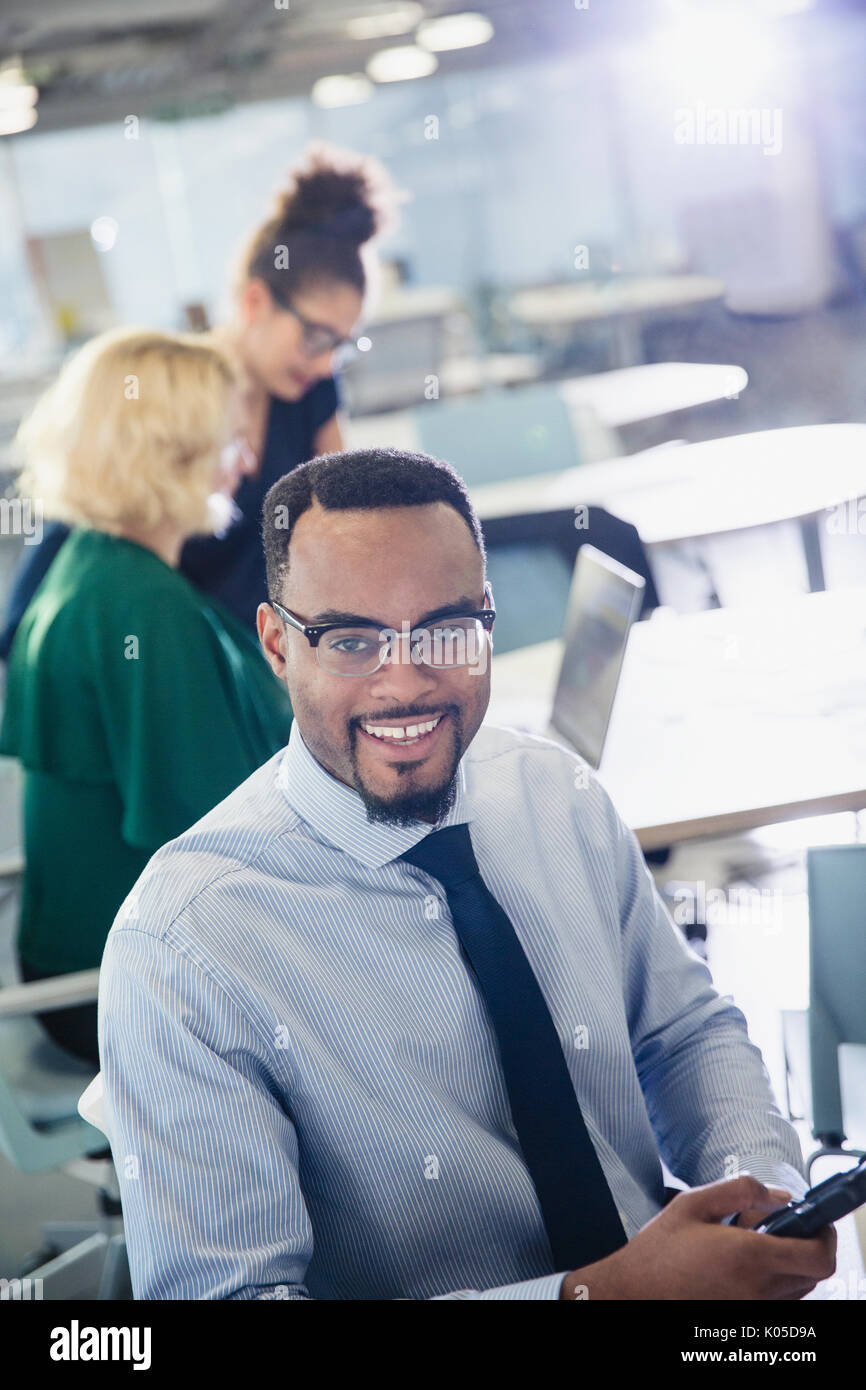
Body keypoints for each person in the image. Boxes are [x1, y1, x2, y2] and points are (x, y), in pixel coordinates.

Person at [99, 447, 835, 1300]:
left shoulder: (555, 793)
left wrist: (763, 1195)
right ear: (276, 644)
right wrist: (601, 1296)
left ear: (487, 619)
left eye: (445, 629)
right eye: (350, 640)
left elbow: (685, 1034)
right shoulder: (182, 947)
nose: (403, 681)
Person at [0, 328, 294, 1067]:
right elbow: (222, 844)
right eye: (231, 441)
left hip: (76, 966)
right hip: (133, 990)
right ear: (173, 455)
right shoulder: (144, 609)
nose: (248, 461)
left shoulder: (87, 569)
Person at [0, 141, 399, 653]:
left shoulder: (312, 390)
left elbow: (342, 525)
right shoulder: (170, 394)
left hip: (266, 668)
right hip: (173, 663)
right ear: (255, 301)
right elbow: (79, 534)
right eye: (317, 338)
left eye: (342, 346)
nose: (325, 362)